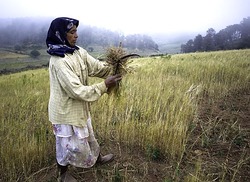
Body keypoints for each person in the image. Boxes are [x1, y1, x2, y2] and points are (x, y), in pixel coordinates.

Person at [46, 17, 122, 182]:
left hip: (80, 107)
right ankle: (63, 174)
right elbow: (76, 90)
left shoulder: (78, 51)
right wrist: (104, 86)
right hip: (64, 111)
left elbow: (96, 67)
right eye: (72, 32)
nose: (76, 35)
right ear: (60, 35)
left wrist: (115, 68)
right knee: (64, 145)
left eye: (76, 31)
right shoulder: (59, 61)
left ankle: (96, 159)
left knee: (89, 134)